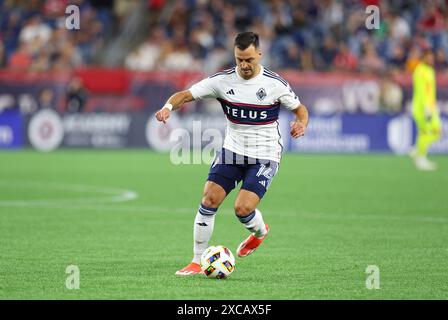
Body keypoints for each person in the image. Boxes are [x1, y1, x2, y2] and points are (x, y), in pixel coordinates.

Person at [155, 31, 309, 276]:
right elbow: (185, 95)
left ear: (259, 54)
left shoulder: (275, 84)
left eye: (249, 59)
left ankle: (260, 232)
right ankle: (196, 261)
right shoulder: (222, 81)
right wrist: (167, 107)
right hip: (233, 151)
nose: (244, 65)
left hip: (265, 154)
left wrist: (301, 124)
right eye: (239, 60)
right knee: (209, 200)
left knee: (242, 209)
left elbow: (300, 109)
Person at [409, 49, 441, 171]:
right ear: (423, 57)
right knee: (427, 132)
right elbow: (422, 92)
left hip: (430, 107)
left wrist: (432, 105)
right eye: (428, 57)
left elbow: (430, 91)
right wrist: (426, 107)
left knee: (435, 132)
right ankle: (421, 158)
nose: (431, 59)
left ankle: (417, 151)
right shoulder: (421, 71)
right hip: (422, 108)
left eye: (432, 57)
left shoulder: (430, 70)